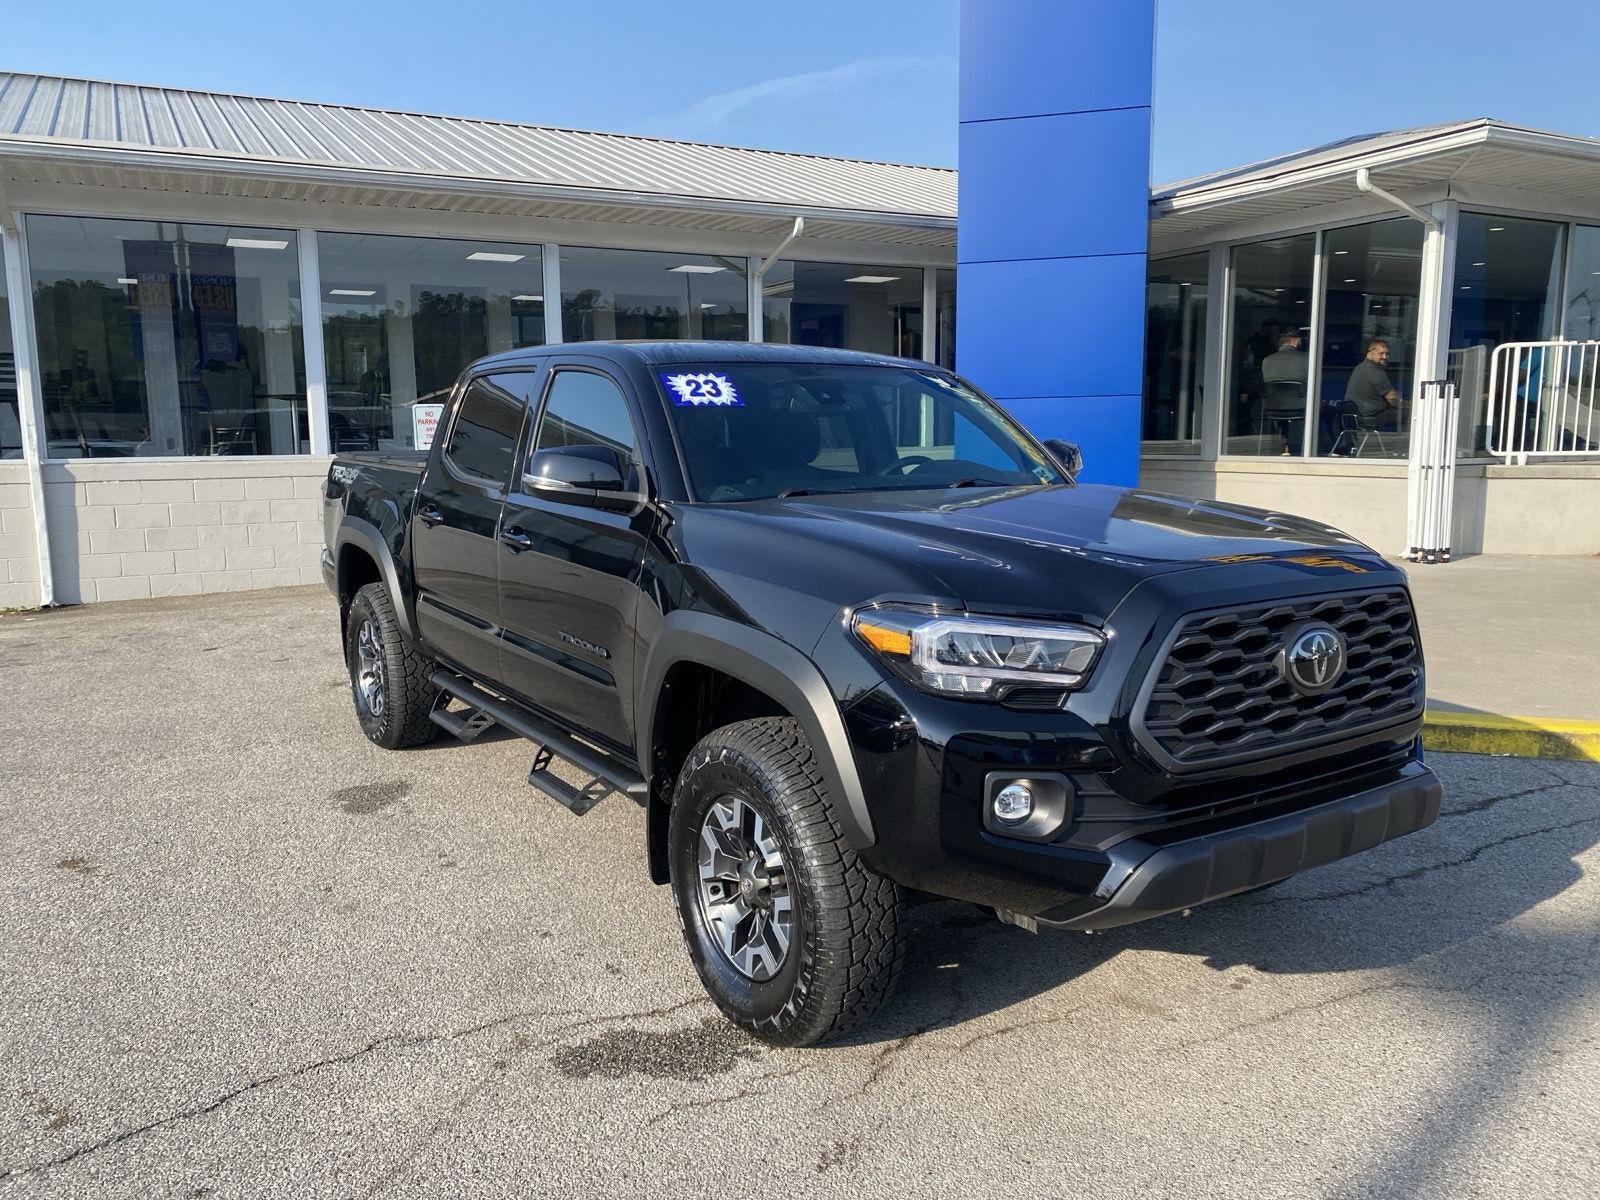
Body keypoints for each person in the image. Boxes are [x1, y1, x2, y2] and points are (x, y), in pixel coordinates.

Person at [1260, 328, 1309, 453]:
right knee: (1328, 411)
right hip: (1300, 408)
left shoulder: (1267, 360)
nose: (1301, 343)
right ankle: (1318, 450)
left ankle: (1285, 446)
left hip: (1273, 407)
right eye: (1300, 340)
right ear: (1295, 340)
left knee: (1284, 407)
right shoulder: (1307, 360)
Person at [1346, 338, 1400, 429]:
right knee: (1411, 414)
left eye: (1387, 354)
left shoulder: (1360, 367)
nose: (1385, 357)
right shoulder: (1374, 370)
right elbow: (1392, 398)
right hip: (1369, 418)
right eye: (1381, 353)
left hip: (1352, 416)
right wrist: (1409, 405)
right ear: (1369, 352)